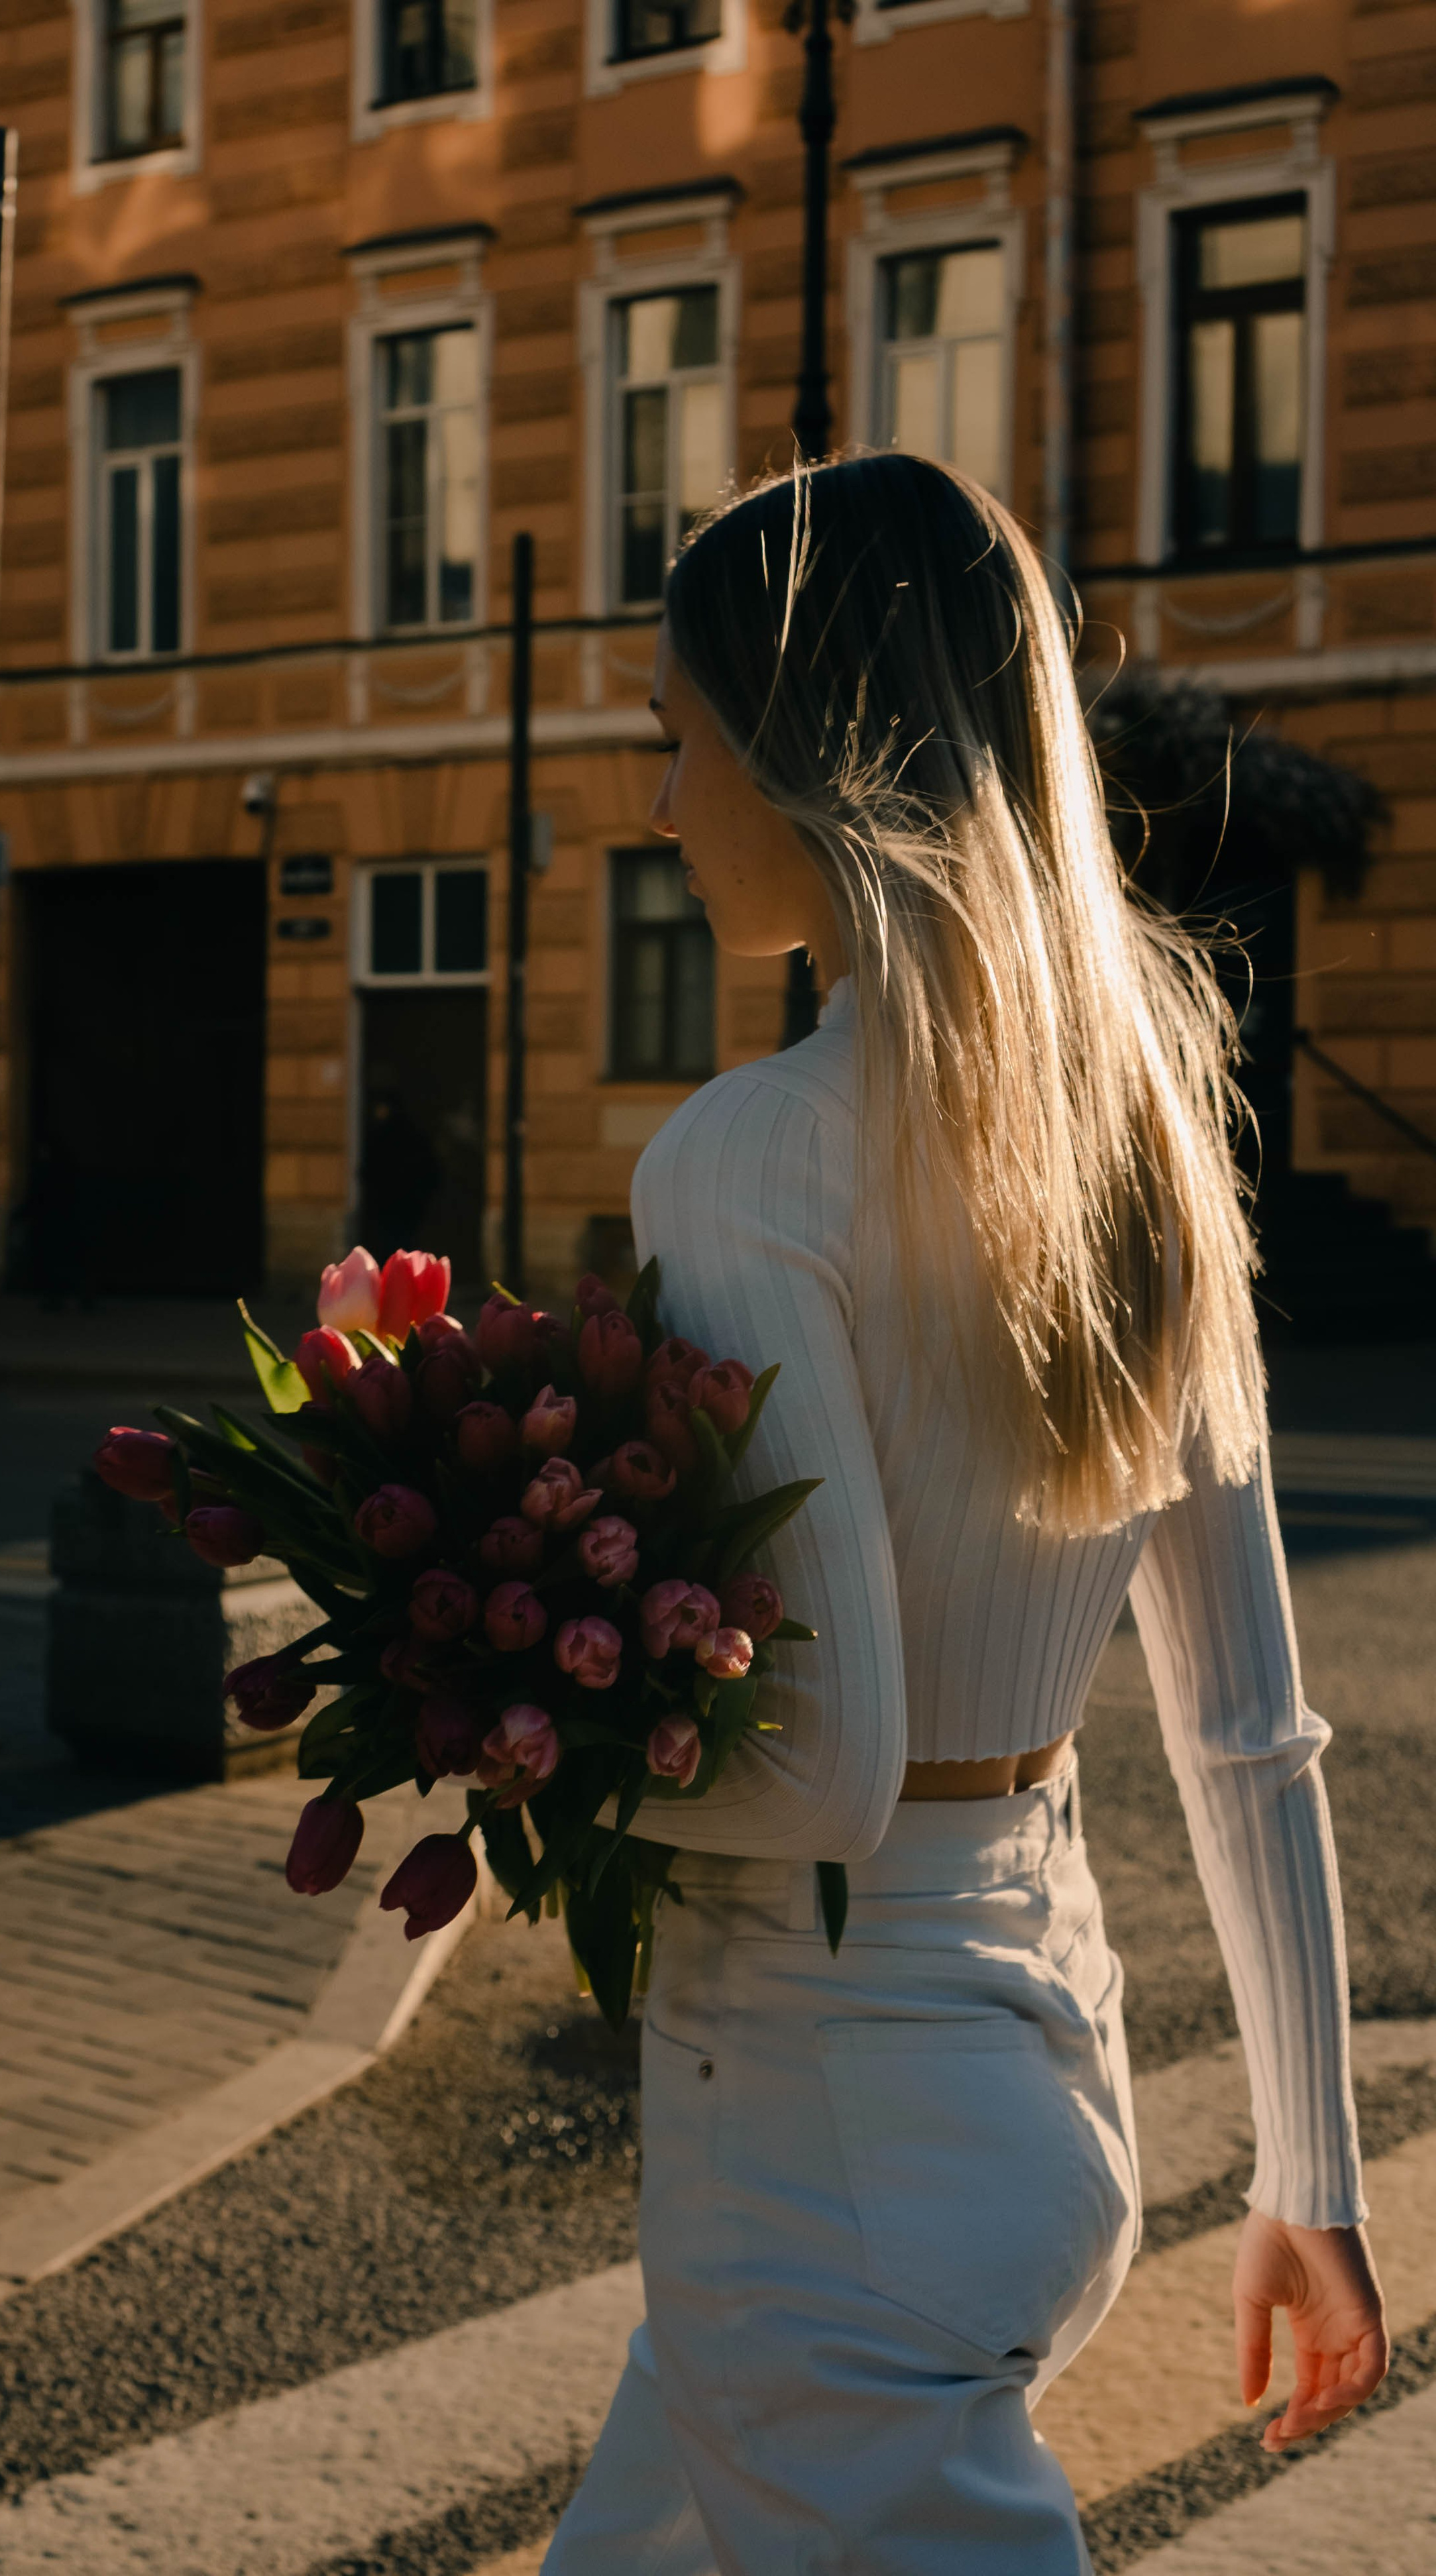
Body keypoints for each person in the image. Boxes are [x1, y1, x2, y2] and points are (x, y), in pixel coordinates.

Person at [542, 454, 1387, 2574]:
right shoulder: (1152, 1140)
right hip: (1043, 2083)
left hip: (823, 2136)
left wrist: (516, 1741)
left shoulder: (744, 1159)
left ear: (807, 753)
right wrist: (1315, 2183)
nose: (663, 804)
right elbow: (1248, 1729)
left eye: (679, 739)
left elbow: (818, 1774)